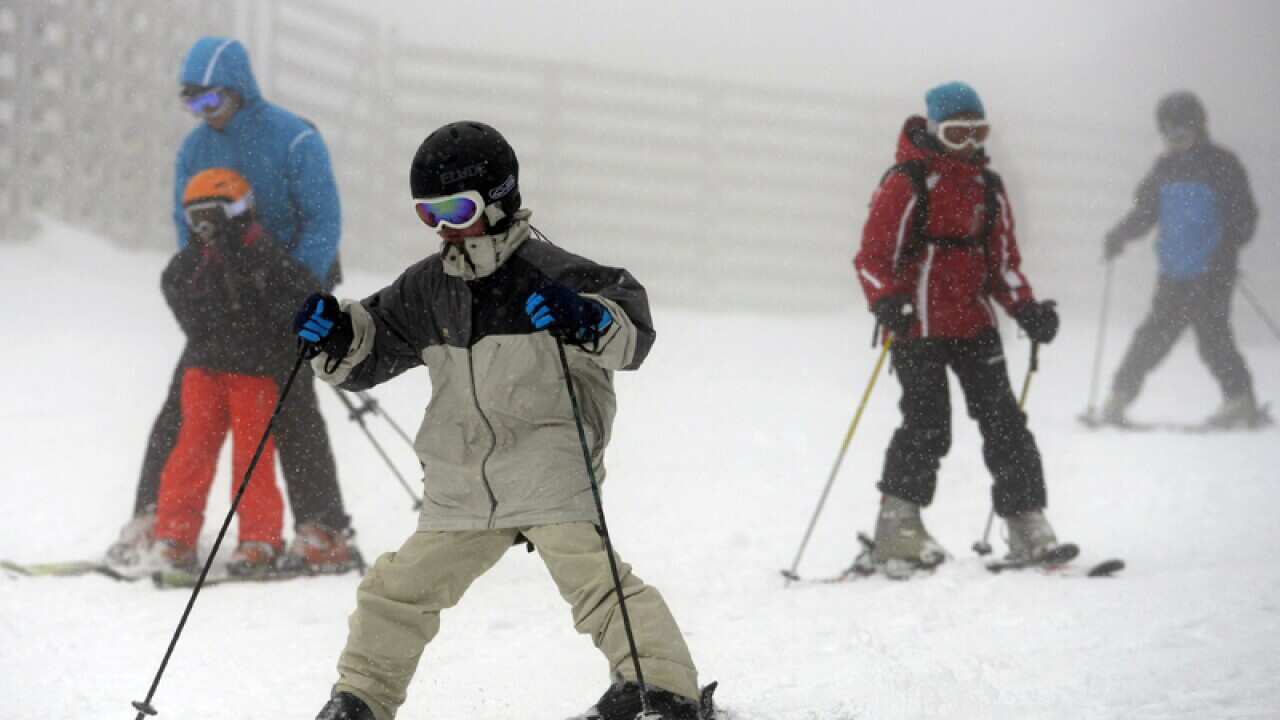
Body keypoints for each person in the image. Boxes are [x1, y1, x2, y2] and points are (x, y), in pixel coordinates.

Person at [296, 122, 710, 720]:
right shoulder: (428, 289)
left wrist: (585, 320)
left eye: (457, 208)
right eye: (428, 214)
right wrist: (335, 332)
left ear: (499, 198)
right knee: (396, 591)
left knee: (595, 584)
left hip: (549, 465)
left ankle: (664, 691)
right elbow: (368, 351)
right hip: (462, 478)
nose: (445, 228)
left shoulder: (559, 275)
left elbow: (631, 335)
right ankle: (359, 701)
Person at [106, 36, 361, 575]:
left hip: (287, 294)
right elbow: (186, 227)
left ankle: (324, 531)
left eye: (211, 101)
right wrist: (205, 288)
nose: (204, 114)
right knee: (183, 407)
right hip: (223, 302)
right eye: (192, 103)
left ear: (238, 90)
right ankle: (155, 520)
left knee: (291, 408)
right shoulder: (193, 150)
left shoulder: (294, 139)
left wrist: (297, 290)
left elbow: (323, 221)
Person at [852, 82, 1065, 574]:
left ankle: (1026, 521)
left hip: (974, 324)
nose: (967, 142)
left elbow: (1004, 262)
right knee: (927, 425)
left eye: (977, 131)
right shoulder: (907, 182)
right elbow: (872, 256)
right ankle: (898, 527)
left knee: (1005, 423)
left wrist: (1026, 308)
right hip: (917, 327)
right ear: (934, 129)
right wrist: (887, 302)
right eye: (956, 131)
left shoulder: (986, 187)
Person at [152, 168, 313, 574]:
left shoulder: (264, 255)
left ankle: (260, 538)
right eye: (195, 217)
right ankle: (174, 535)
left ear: (239, 209)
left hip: (255, 374)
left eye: (214, 212)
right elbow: (173, 286)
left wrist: (271, 320)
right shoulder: (193, 262)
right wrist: (206, 324)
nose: (205, 225)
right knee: (191, 451)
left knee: (252, 455)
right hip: (204, 371)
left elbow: (303, 294)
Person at [1100, 91, 1263, 428]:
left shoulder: (1222, 165)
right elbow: (1145, 212)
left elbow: (1244, 216)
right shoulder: (1164, 169)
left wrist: (1228, 243)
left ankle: (1240, 400)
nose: (1176, 138)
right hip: (1174, 270)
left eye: (1183, 129)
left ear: (1199, 127)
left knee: (1212, 336)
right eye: (1168, 131)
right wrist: (1119, 235)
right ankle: (1118, 397)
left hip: (1213, 271)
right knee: (1152, 337)